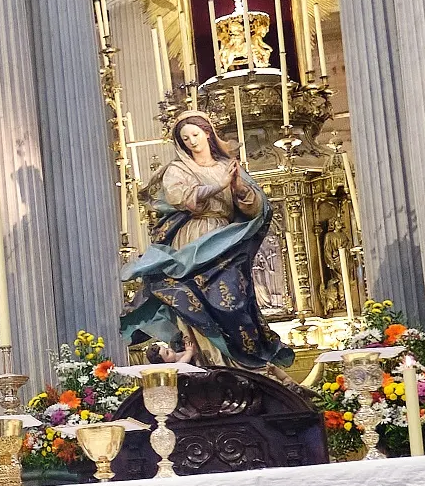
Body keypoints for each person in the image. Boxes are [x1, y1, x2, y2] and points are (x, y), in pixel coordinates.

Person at [121, 110, 297, 372]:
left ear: (207, 133)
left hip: (224, 238)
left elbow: (256, 209)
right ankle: (205, 361)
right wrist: (219, 185)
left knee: (232, 298)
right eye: (185, 138)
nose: (191, 141)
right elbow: (182, 198)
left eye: (195, 134)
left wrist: (238, 188)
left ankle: (238, 364)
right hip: (193, 240)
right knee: (193, 297)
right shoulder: (177, 168)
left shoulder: (228, 166)